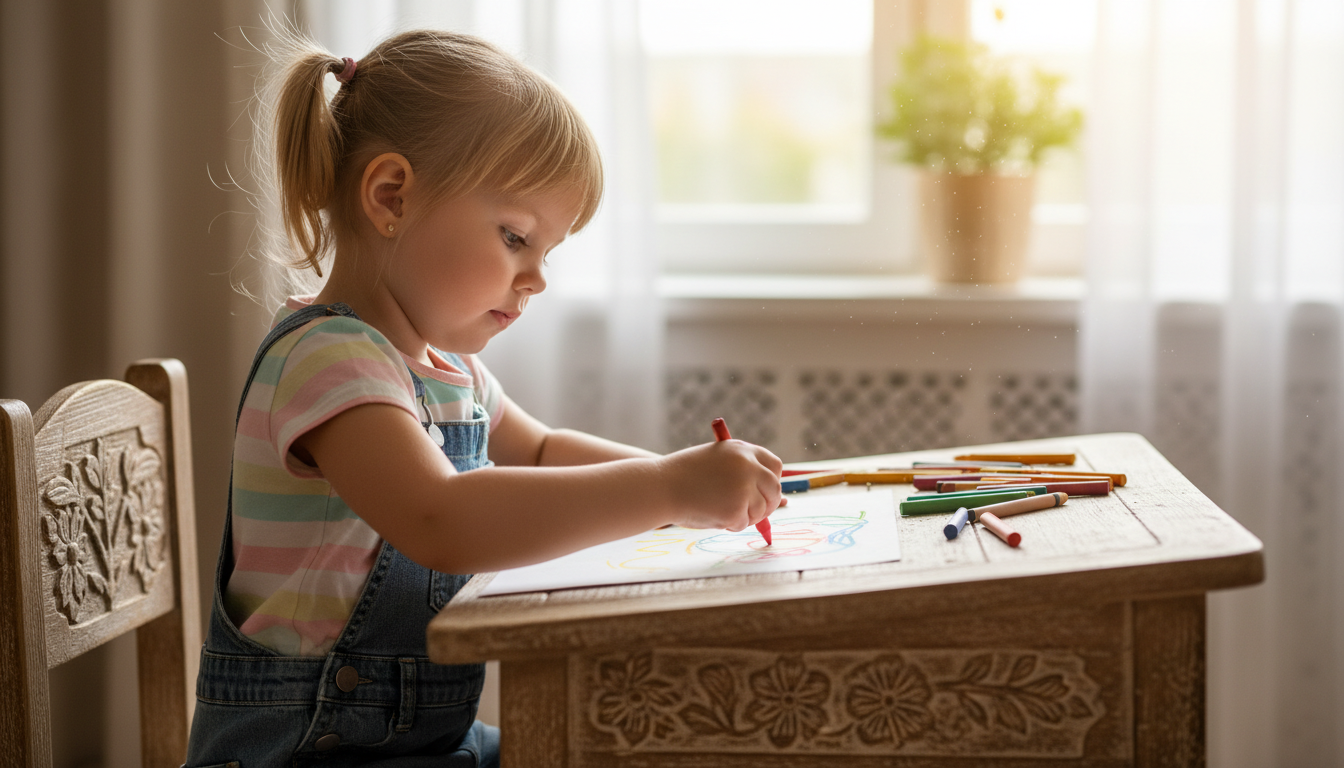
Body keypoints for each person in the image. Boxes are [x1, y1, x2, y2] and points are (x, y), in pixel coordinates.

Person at [184, 28, 783, 768]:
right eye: (514, 237)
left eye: (546, 253)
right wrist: (666, 487)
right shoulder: (330, 359)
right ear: (390, 196)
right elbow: (441, 520)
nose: (535, 279)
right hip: (307, 752)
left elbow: (540, 450)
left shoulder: (447, 370)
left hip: (423, 744)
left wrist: (688, 482)